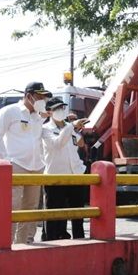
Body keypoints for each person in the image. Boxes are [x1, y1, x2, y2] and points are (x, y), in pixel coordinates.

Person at [0, 82, 51, 244]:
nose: (42, 101)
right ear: (28, 95)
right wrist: (6, 162)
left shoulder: (38, 116)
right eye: (39, 97)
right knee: (12, 207)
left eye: (43, 98)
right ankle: (7, 243)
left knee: (30, 209)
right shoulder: (10, 111)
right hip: (15, 164)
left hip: (36, 166)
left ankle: (25, 243)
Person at [42, 98, 89, 240]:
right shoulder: (45, 129)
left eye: (62, 108)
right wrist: (70, 127)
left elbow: (80, 144)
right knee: (54, 214)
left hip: (75, 173)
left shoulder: (69, 127)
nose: (61, 111)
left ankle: (79, 241)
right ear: (49, 112)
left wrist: (76, 129)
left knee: (77, 214)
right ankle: (52, 242)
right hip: (56, 176)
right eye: (57, 109)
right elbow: (57, 144)